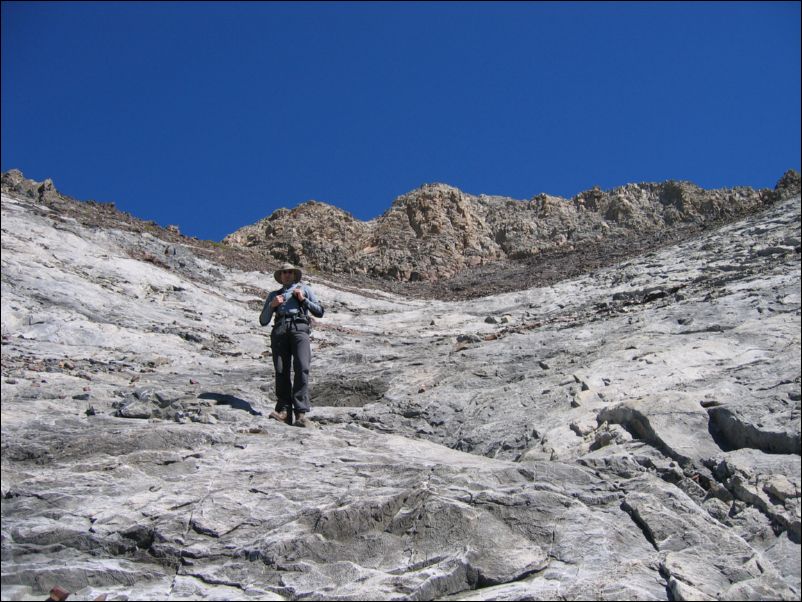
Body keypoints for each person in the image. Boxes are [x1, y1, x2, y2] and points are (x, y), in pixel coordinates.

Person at [259, 263, 324, 427]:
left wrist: (303, 299)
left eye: (289, 272)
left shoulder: (305, 289)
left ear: (294, 275)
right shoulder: (274, 295)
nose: (286, 275)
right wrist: (272, 305)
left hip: (299, 329)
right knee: (281, 370)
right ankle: (284, 411)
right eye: (283, 272)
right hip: (280, 330)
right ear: (280, 276)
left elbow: (320, 311)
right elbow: (263, 320)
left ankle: (300, 412)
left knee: (302, 366)